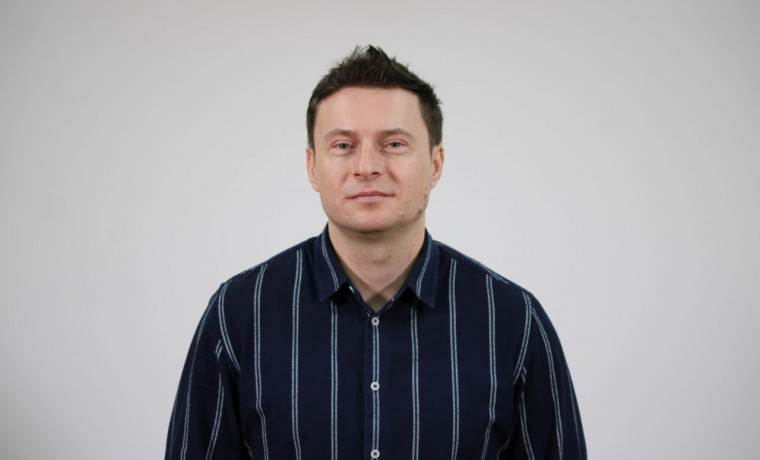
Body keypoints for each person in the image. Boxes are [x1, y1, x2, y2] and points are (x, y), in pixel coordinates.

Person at [165, 45, 586, 460]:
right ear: (312, 167)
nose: (366, 166)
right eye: (343, 145)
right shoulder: (239, 314)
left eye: (394, 144)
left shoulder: (512, 321)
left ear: (435, 164)